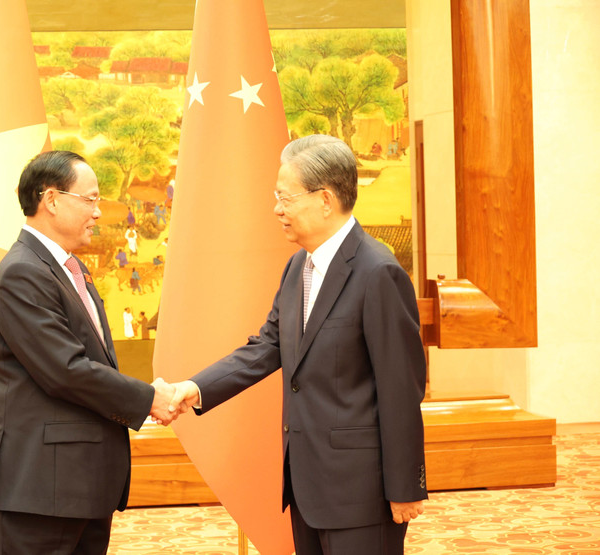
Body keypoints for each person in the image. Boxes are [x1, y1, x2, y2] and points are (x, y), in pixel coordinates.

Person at [167, 135, 427, 555]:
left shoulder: (378, 272)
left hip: (362, 492)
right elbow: (267, 346)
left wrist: (404, 486)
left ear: (325, 200)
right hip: (307, 487)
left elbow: (402, 387)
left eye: (285, 198)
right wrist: (193, 389)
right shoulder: (297, 267)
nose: (276, 209)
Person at [0, 150, 177, 555]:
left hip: (74, 487)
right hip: (39, 492)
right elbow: (66, 370)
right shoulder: (23, 272)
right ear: (51, 200)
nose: (98, 213)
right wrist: (150, 399)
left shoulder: (69, 269)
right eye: (90, 199)